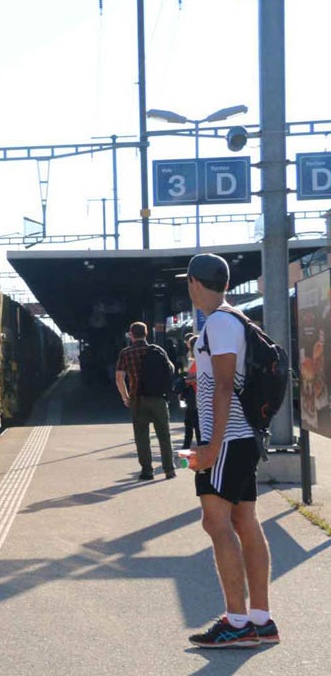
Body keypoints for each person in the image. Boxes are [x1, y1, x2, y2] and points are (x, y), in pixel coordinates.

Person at [184, 252, 278, 648]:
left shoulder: (219, 322)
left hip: (229, 439)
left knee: (215, 522)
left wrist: (211, 446)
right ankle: (261, 619)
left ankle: (237, 623)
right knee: (245, 521)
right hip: (241, 438)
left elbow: (224, 386)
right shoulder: (234, 319)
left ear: (194, 283)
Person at [115, 321, 176, 480]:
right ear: (146, 333)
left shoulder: (126, 353)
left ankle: (147, 471)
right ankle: (169, 470)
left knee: (142, 437)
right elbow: (171, 369)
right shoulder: (157, 350)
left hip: (138, 399)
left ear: (131, 334)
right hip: (158, 399)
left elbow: (119, 378)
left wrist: (125, 397)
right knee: (164, 435)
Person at [175, 342, 201, 449]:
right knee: (195, 425)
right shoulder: (201, 362)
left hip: (195, 398)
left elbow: (191, 379)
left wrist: (185, 380)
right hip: (198, 398)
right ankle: (192, 447)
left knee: (192, 425)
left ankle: (188, 447)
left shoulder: (196, 363)